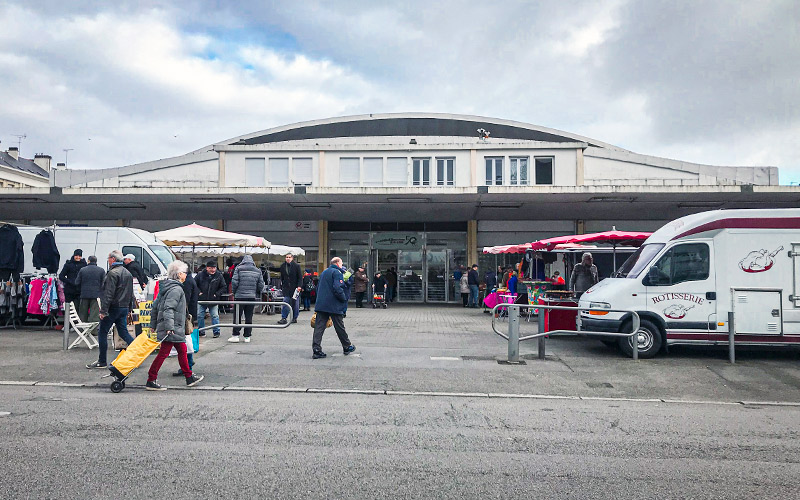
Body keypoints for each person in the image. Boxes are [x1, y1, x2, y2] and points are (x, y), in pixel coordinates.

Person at [145, 260, 203, 390]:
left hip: (171, 326)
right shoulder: (176, 289)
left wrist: (153, 324)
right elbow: (168, 309)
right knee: (164, 353)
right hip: (172, 327)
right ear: (179, 274)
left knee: (181, 350)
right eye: (185, 273)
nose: (186, 275)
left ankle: (189, 377)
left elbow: (155, 307)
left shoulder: (165, 287)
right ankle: (151, 378)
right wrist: (170, 327)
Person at [86, 250, 135, 369]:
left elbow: (108, 294)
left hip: (113, 307)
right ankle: (137, 353)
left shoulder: (113, 273)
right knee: (123, 332)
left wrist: (103, 311)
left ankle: (102, 361)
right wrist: (129, 307)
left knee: (102, 332)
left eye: (108, 258)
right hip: (123, 307)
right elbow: (130, 293)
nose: (108, 260)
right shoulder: (127, 273)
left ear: (113, 259)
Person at [311, 257, 356, 359]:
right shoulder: (337, 273)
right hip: (334, 304)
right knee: (339, 326)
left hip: (322, 304)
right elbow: (337, 288)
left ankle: (316, 349)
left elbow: (318, 288)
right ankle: (347, 346)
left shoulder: (324, 272)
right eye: (341, 263)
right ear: (337, 263)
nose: (341, 265)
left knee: (319, 327)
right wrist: (343, 299)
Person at [229, 254, 264, 343]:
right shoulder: (257, 270)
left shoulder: (238, 268)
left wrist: (234, 292)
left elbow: (234, 281)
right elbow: (261, 284)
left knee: (237, 316)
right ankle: (247, 336)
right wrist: (256, 292)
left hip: (239, 296)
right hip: (251, 296)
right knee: (249, 317)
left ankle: (236, 335)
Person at [174, 264, 199, 377]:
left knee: (185, 340)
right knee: (185, 340)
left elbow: (186, 299)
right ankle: (188, 362)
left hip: (187, 314)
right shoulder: (190, 280)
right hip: (190, 312)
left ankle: (188, 363)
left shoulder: (187, 282)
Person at [195, 261, 225, 338]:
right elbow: (194, 284)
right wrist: (199, 292)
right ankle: (201, 331)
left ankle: (216, 332)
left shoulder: (219, 276)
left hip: (213, 299)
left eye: (214, 268)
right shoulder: (200, 275)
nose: (213, 270)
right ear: (207, 268)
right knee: (200, 316)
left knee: (215, 316)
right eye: (211, 268)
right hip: (202, 299)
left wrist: (217, 294)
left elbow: (223, 286)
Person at [273, 253, 302, 325]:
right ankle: (284, 317)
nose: (288, 258)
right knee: (285, 301)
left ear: (292, 258)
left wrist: (299, 286)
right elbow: (282, 277)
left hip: (295, 288)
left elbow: (300, 277)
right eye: (286, 257)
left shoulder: (296, 266)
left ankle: (294, 317)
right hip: (286, 288)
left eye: (289, 257)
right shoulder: (283, 266)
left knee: (295, 303)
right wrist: (282, 284)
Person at [74, 255, 105, 322]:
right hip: (96, 295)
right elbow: (104, 284)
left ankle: (83, 329)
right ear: (96, 261)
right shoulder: (101, 270)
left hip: (84, 295)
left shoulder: (83, 270)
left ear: (88, 261)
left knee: (83, 314)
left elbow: (77, 282)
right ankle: (93, 331)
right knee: (94, 314)